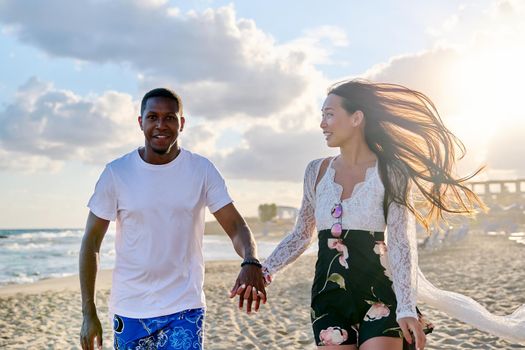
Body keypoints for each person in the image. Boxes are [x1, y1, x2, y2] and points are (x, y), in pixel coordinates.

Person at [260, 80, 525, 349]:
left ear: (357, 118)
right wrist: (265, 270)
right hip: (330, 294)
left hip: (381, 292)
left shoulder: (392, 173)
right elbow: (301, 234)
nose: (322, 124)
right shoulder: (315, 172)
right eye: (322, 115)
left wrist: (407, 307)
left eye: (329, 114)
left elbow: (401, 243)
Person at [79, 88, 266, 350]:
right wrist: (89, 312)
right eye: (153, 117)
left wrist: (250, 260)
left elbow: (236, 226)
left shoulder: (201, 170)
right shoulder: (116, 173)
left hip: (184, 307)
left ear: (182, 123)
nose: (161, 125)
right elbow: (91, 243)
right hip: (130, 308)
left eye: (170, 118)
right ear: (140, 122)